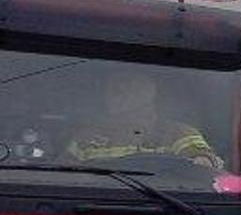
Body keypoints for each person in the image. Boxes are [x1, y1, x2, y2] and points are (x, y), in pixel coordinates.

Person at [66, 68, 222, 168]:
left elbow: (204, 160)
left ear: (149, 91)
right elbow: (62, 175)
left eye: (126, 84)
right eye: (111, 86)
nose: (114, 91)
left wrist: (203, 160)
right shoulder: (87, 137)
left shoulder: (179, 133)